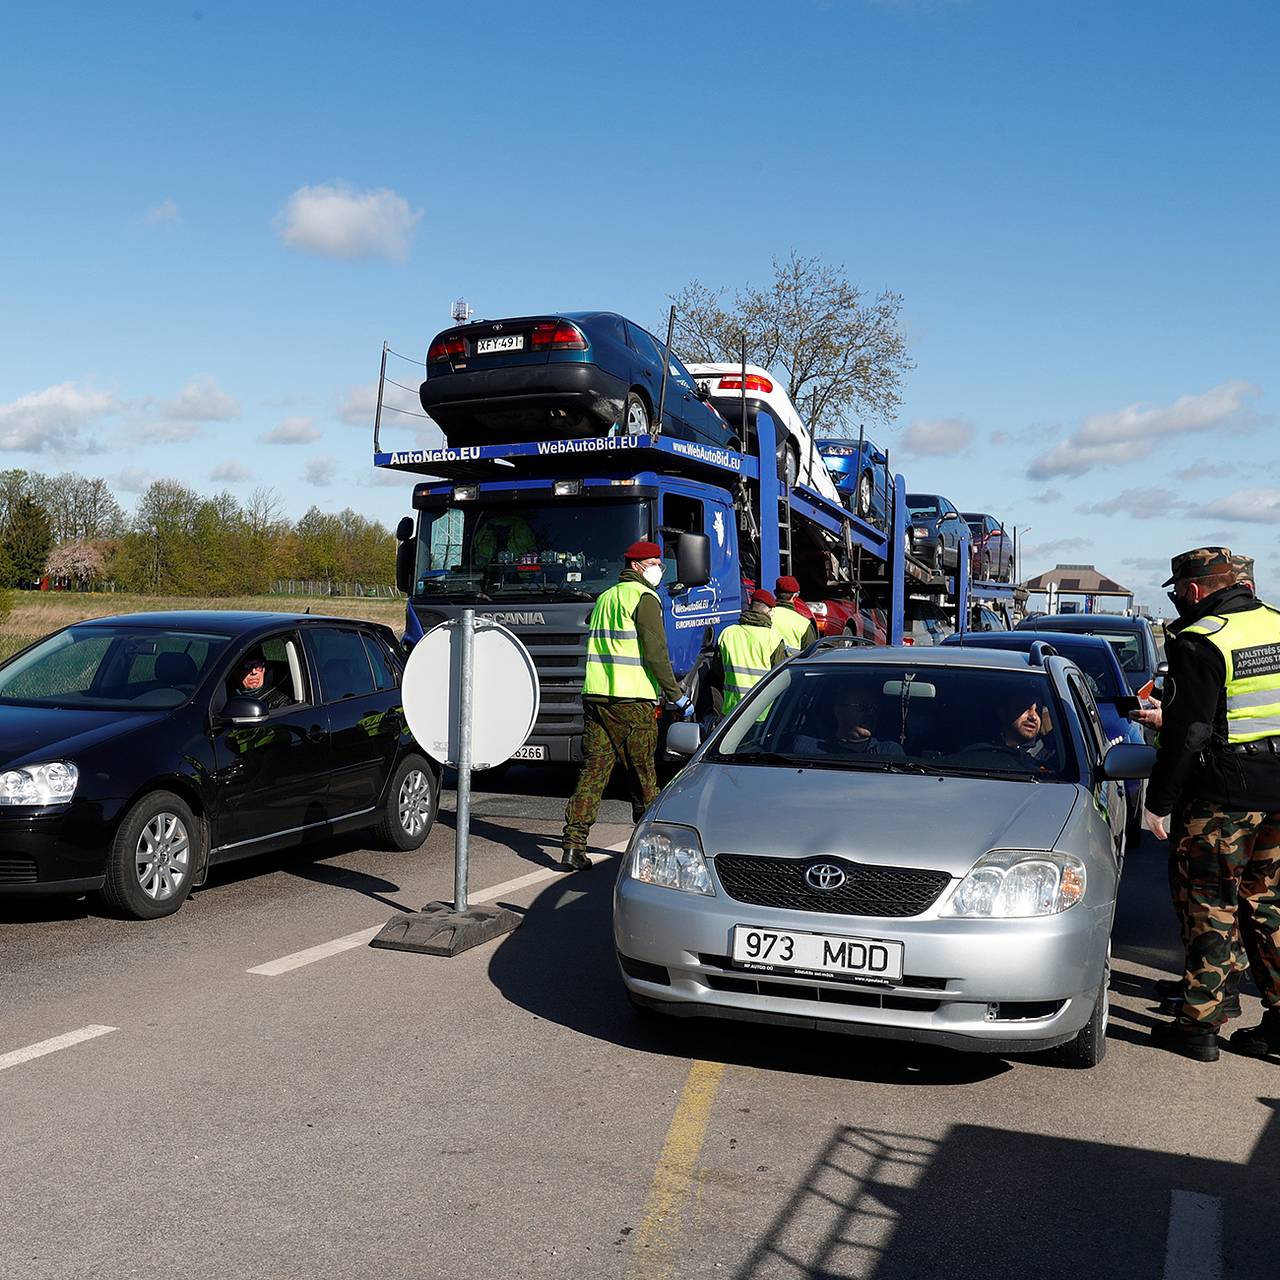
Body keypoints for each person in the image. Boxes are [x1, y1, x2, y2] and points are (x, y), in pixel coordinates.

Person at [1143, 546, 1280, 1062]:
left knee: (1210, 904)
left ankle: (1198, 1024)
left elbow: (1191, 732)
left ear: (1196, 590)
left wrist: (1160, 800)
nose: (1179, 599)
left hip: (1225, 796)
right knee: (1266, 905)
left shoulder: (1201, 641)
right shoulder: (1278, 625)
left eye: (1179, 590)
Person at [561, 540, 692, 872]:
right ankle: (656, 853)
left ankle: (573, 847)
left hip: (596, 697)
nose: (659, 569)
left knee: (593, 772)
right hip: (631, 700)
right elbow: (656, 653)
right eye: (653, 563)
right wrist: (676, 695)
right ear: (636, 566)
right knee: (644, 776)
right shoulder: (644, 598)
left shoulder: (606, 597)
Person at [712, 589, 787, 714]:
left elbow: (717, 671)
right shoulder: (773, 638)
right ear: (769, 611)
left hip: (731, 710)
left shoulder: (728, 633)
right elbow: (780, 676)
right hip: (762, 711)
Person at [790, 685, 905, 758]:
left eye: (873, 708)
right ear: (839, 710)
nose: (870, 714)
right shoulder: (805, 749)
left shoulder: (889, 752)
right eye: (862, 707)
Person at [771, 576, 819, 655]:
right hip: (790, 666)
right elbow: (810, 656)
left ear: (775, 593)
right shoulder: (804, 624)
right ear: (796, 596)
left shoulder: (764, 617)